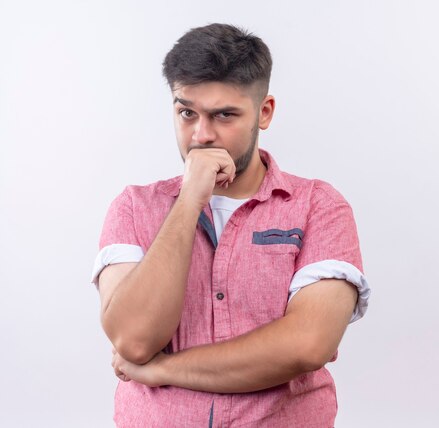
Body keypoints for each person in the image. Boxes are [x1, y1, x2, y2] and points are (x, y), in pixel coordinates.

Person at [90, 23, 370, 427]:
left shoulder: (319, 207)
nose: (201, 136)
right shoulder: (134, 208)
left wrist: (163, 370)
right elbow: (134, 340)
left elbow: (307, 345)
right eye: (187, 112)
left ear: (265, 112)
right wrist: (190, 200)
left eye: (224, 115)